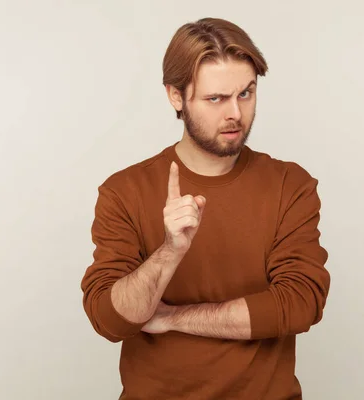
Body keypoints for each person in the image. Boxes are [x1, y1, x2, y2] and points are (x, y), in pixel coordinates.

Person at [80, 17, 330, 400]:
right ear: (176, 96)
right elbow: (110, 320)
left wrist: (173, 318)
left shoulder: (289, 185)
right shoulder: (123, 191)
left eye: (246, 93)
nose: (235, 114)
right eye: (215, 99)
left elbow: (299, 304)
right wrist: (170, 252)